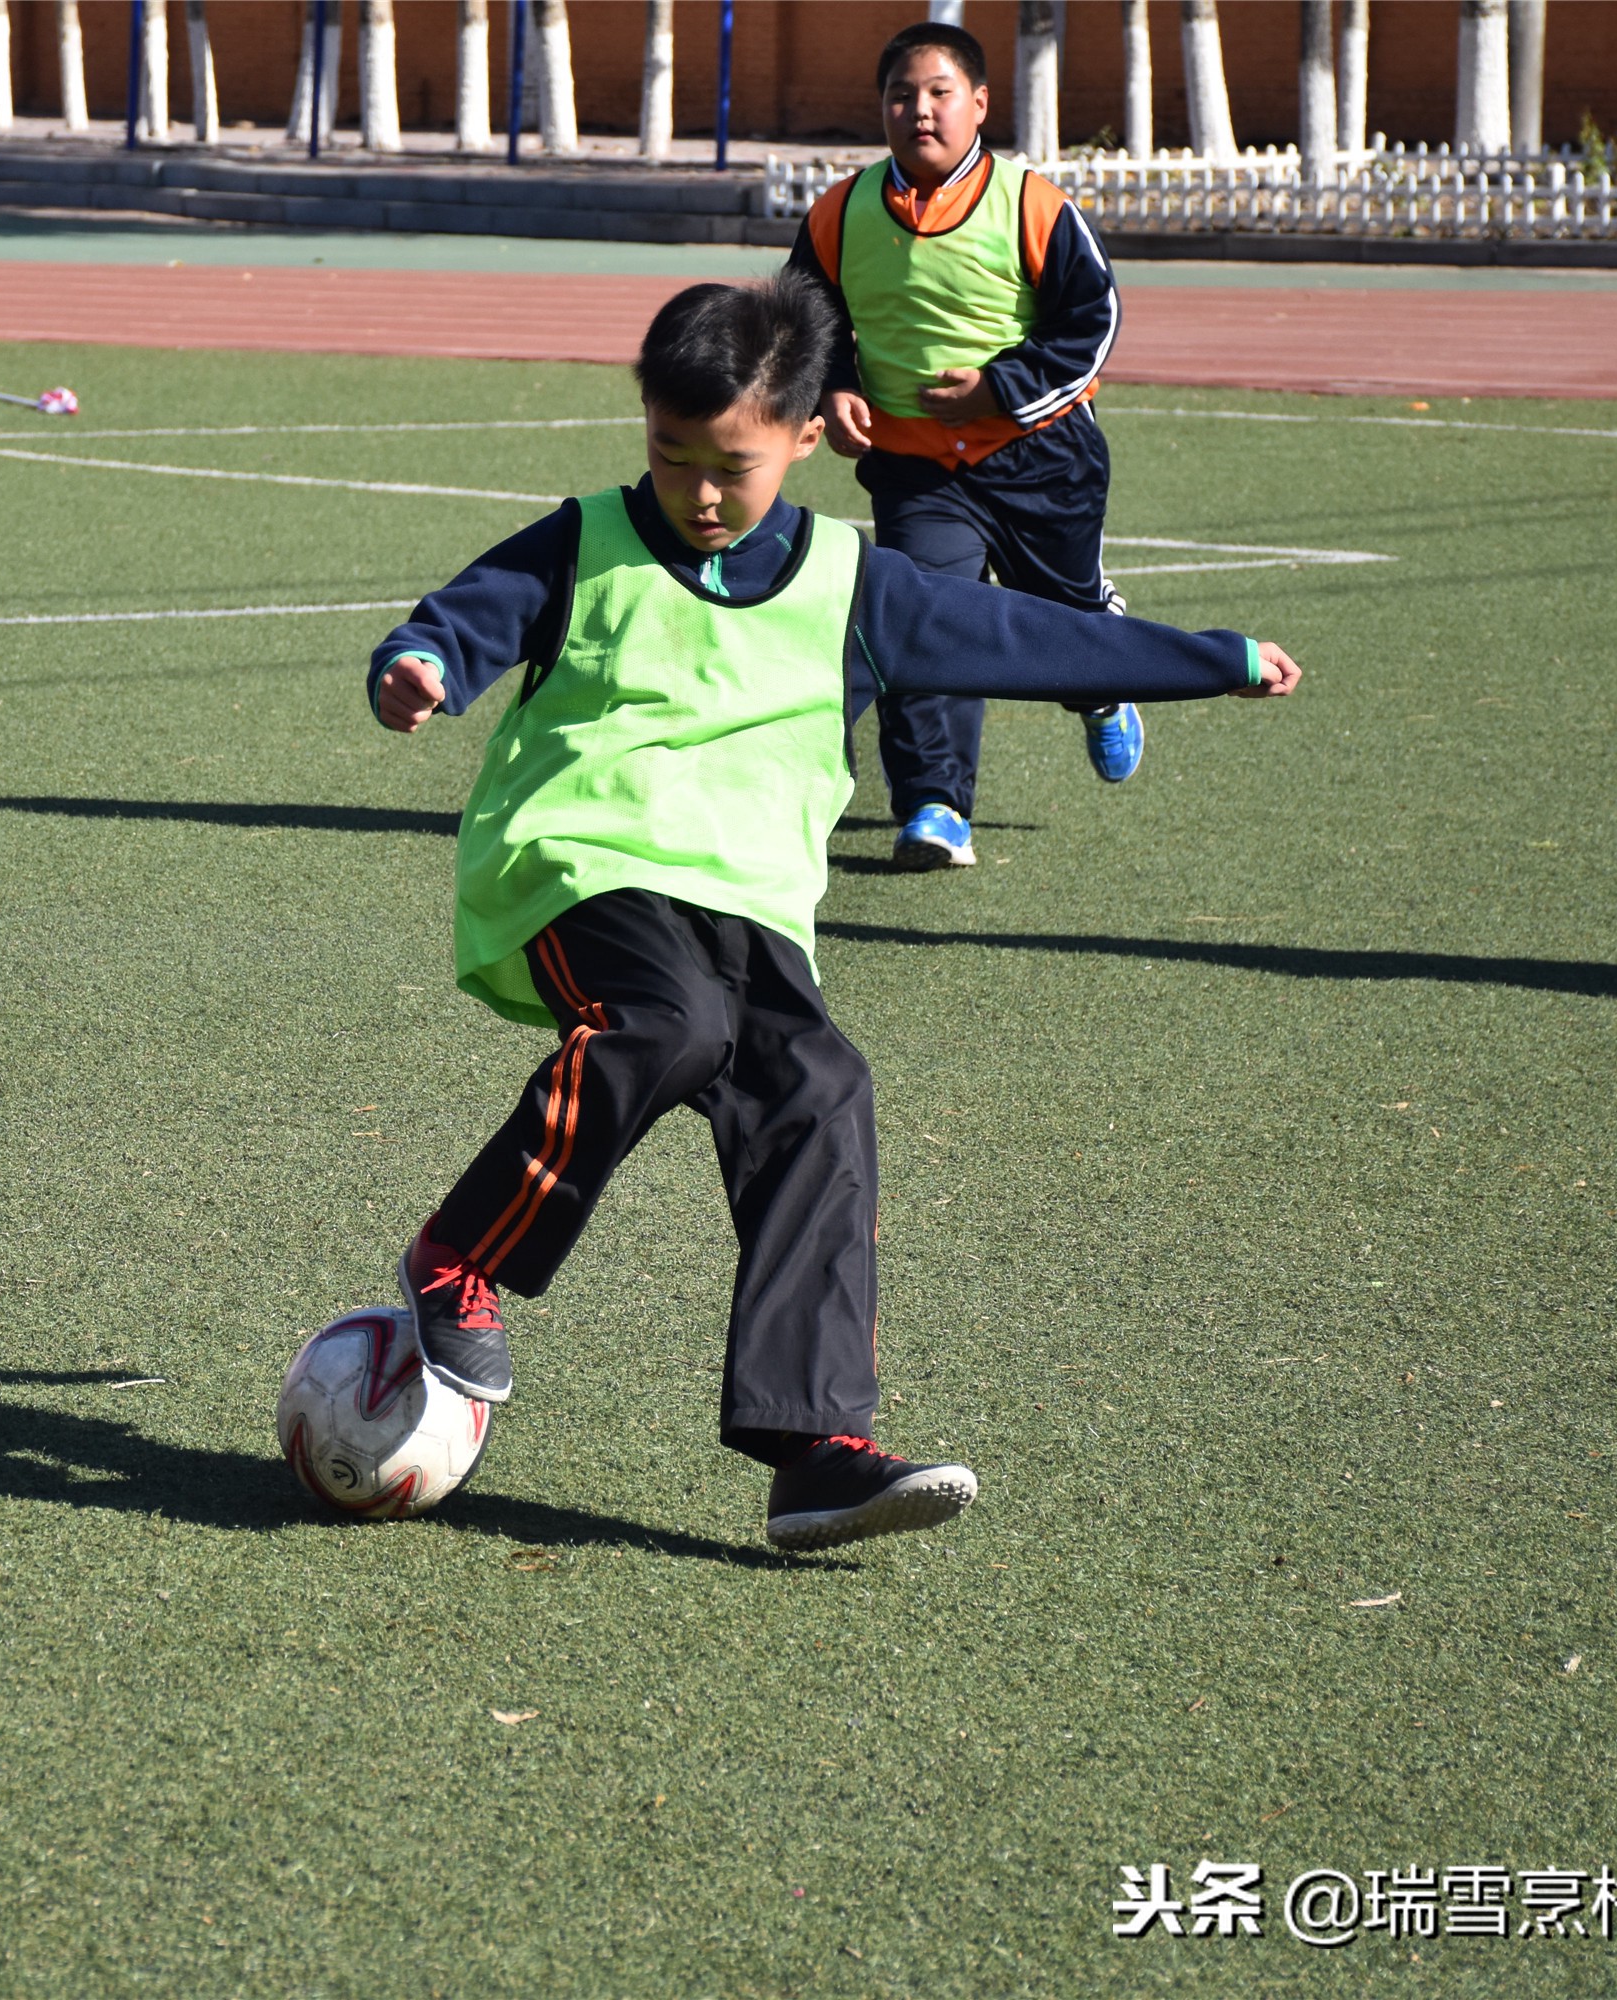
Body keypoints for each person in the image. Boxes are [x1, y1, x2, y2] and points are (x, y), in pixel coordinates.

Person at [365, 273, 1301, 1552]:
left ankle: (815, 1450)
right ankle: (458, 1257)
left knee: (820, 1087)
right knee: (672, 1020)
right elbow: (469, 615)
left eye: (731, 464)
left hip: (746, 899)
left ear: (808, 437)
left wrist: (1212, 660)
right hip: (575, 865)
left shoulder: (855, 581)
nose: (697, 490)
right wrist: (418, 667)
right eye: (670, 451)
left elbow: (1027, 638)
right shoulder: (585, 540)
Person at [788, 21, 1133, 873]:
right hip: (916, 470)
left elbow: (1095, 323)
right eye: (902, 95)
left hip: (1042, 459)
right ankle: (936, 806)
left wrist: (1000, 390)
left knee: (1064, 626)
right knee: (919, 621)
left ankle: (1101, 688)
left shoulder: (1034, 204)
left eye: (940, 92)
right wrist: (833, 390)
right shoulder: (838, 213)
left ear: (979, 103)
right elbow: (806, 323)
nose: (920, 110)